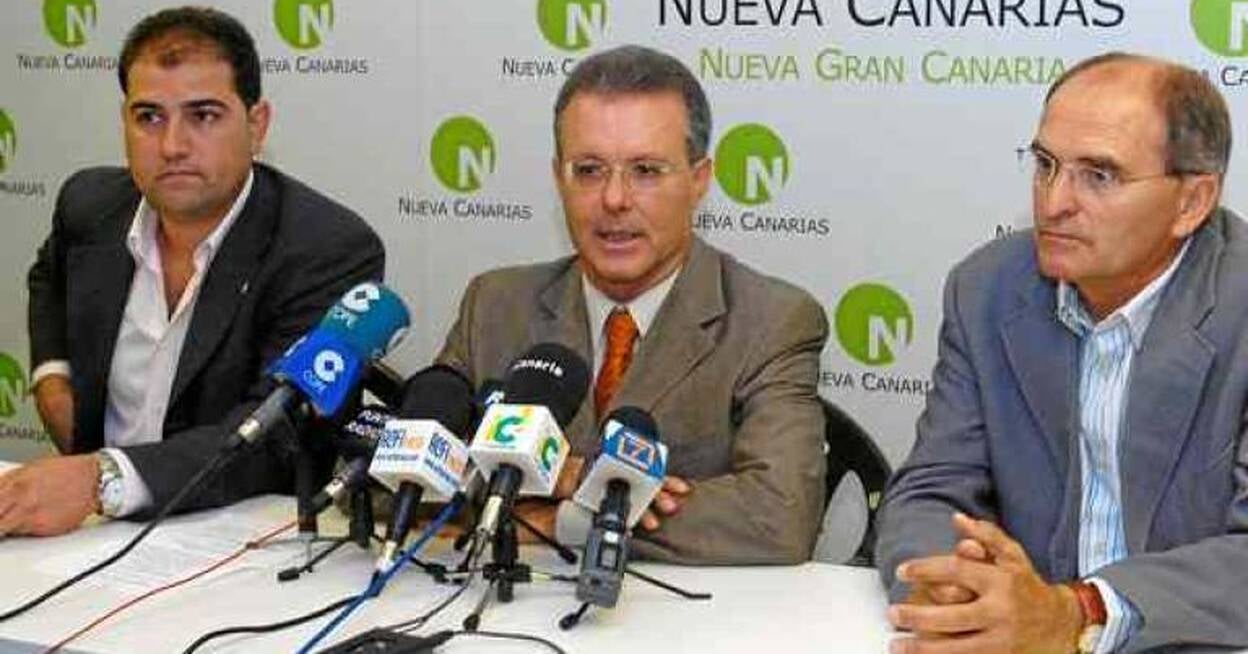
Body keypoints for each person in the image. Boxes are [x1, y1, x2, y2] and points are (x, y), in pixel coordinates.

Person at [875, 52, 1247, 652]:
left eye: (1099, 175)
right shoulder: (988, 288)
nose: (1053, 203)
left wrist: (1080, 611)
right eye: (1045, 165)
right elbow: (934, 487)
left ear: (1192, 202)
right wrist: (953, 590)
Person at [437, 44, 828, 564]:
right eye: (589, 170)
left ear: (699, 181)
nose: (615, 199)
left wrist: (563, 518)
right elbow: (404, 481)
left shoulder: (772, 320)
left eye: (645, 170)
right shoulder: (495, 305)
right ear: (558, 179)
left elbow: (777, 515)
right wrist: (567, 475)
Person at [2, 6, 384, 537]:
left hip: (229, 538)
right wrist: (51, 376)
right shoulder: (88, 205)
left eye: (203, 116)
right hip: (87, 532)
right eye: (149, 117)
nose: (172, 146)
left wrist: (102, 479)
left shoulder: (325, 249)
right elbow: (48, 278)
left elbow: (276, 436)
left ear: (256, 125)